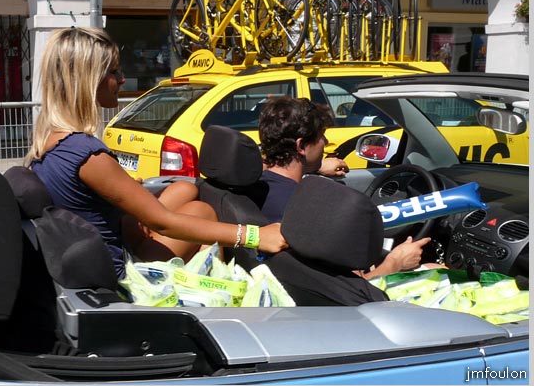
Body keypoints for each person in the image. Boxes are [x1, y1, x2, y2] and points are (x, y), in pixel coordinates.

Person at [25, 26, 287, 278]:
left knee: (185, 189)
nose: (122, 79)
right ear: (88, 80)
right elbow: (165, 223)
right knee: (202, 212)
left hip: (106, 241)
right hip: (124, 269)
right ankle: (211, 295)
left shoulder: (51, 141)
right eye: (113, 72)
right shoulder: (87, 154)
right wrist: (255, 236)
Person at [257, 96, 432, 279]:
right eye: (321, 135)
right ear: (301, 146)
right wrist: (396, 262)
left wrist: (317, 166)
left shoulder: (257, 188)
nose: (325, 142)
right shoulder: (307, 210)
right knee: (435, 268)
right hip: (330, 304)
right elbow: (349, 290)